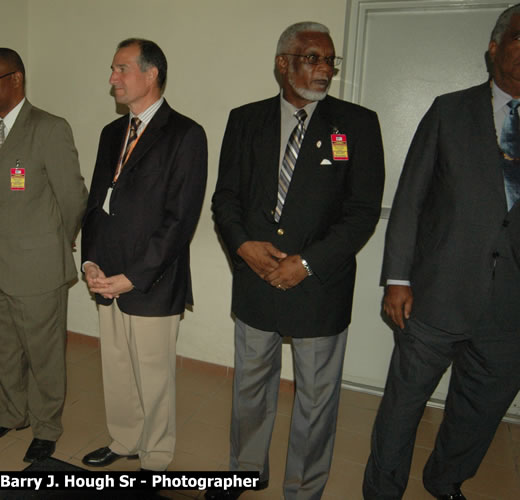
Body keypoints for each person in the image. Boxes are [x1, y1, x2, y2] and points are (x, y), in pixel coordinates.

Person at [211, 22, 385, 499]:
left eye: (330, 60)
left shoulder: (357, 124)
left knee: (315, 401)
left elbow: (362, 212)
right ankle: (243, 471)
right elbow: (225, 199)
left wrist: (305, 264)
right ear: (282, 63)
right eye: (313, 58)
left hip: (319, 286)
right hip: (255, 279)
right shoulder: (245, 120)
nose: (325, 69)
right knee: (250, 390)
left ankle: (304, 489)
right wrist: (244, 248)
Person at [363, 5, 520, 499]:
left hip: (511, 311)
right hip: (435, 296)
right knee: (403, 407)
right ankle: (383, 490)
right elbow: (410, 199)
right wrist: (396, 278)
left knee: (479, 411)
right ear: (494, 48)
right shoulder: (449, 111)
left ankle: (445, 481)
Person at [80, 38, 207, 472]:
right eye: (112, 69)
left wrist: (133, 276)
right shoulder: (110, 133)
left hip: (153, 278)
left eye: (121, 69)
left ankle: (155, 458)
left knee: (153, 378)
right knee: (116, 369)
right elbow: (96, 204)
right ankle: (124, 439)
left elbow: (180, 221)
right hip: (106, 275)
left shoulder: (186, 135)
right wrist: (90, 262)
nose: (112, 78)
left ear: (151, 74)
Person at [0, 48, 87, 464]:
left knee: (44, 352)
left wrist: (59, 241)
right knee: (3, 348)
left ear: (17, 79)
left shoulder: (49, 128)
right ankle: (11, 415)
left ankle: (47, 427)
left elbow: (73, 197)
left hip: (39, 267)